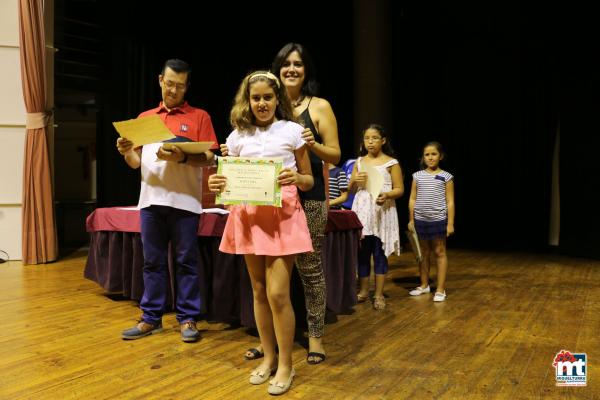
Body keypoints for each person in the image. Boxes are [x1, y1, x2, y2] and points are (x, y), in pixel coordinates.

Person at [223, 43, 341, 364]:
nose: (292, 68)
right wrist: (225, 173)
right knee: (265, 290)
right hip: (256, 206)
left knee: (308, 272)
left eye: (298, 64)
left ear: (306, 70)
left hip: (301, 202)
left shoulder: (313, 113)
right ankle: (270, 347)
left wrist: (310, 144)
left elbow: (330, 159)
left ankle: (314, 338)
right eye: (286, 63)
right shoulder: (242, 132)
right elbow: (233, 171)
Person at [208, 71, 313, 395]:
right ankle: (268, 358)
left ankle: (286, 365)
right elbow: (228, 180)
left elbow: (310, 179)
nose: (262, 103)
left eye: (268, 97)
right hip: (250, 216)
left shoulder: (293, 131)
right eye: (256, 98)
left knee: (278, 294)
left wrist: (295, 178)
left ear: (277, 99)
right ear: (248, 100)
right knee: (257, 290)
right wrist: (217, 184)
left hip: (283, 217)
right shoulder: (238, 136)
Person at [117, 59, 218, 342]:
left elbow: (210, 156)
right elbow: (136, 162)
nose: (173, 90)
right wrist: (126, 150)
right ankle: (151, 318)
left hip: (185, 202)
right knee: (152, 262)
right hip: (150, 200)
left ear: (187, 87)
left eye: (180, 85)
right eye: (170, 83)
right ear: (160, 80)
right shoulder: (145, 118)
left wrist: (183, 156)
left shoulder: (200, 117)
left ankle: (187, 319)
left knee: (186, 261)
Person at [349, 124, 404, 310]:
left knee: (379, 254)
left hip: (382, 211)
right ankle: (364, 291)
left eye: (374, 138)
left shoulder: (391, 163)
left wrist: (387, 195)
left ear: (383, 140)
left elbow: (399, 189)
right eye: (366, 138)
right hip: (363, 210)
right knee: (362, 253)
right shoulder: (358, 161)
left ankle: (379, 294)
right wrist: (354, 181)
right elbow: (350, 189)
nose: (370, 142)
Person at [407, 141, 455, 302]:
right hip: (420, 220)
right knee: (423, 253)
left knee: (439, 252)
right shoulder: (417, 176)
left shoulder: (446, 177)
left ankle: (440, 289)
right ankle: (424, 284)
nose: (430, 157)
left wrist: (450, 223)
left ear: (440, 156)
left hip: (438, 220)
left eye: (433, 154)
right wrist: (411, 219)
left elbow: (450, 202)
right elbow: (412, 199)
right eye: (427, 154)